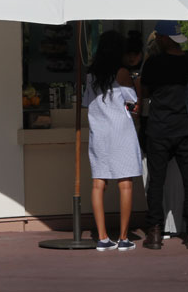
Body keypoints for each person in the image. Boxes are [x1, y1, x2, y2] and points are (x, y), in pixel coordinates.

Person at [139, 21, 188, 250]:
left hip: (158, 129)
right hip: (186, 129)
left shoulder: (152, 64)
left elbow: (144, 93)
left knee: (156, 183)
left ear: (161, 38)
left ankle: (154, 233)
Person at [82, 30, 141, 251]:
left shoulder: (91, 75)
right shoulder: (122, 73)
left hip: (99, 133)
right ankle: (124, 238)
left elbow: (88, 103)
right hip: (121, 132)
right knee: (125, 184)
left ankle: (103, 237)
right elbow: (133, 102)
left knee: (99, 184)